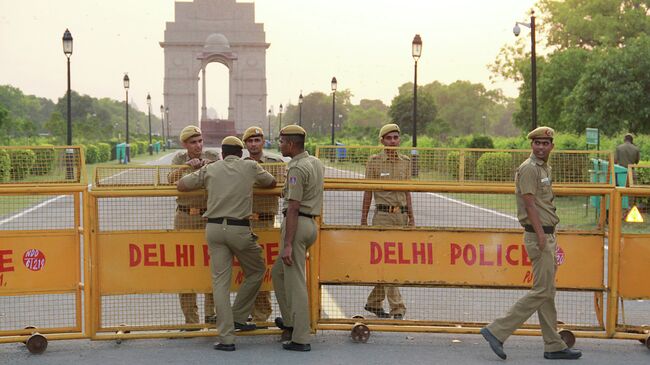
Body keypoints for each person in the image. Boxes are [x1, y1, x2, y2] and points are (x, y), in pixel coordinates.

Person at [480, 126, 582, 360]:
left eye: (545, 143)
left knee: (548, 291)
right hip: (539, 236)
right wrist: (541, 237)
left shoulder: (544, 167)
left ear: (551, 146)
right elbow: (529, 205)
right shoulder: (528, 169)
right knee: (542, 290)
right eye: (537, 143)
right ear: (531, 145)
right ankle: (497, 330)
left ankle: (553, 345)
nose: (540, 147)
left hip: (547, 233)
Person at [177, 136, 276, 351]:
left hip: (213, 229)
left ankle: (226, 338)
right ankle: (239, 315)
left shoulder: (211, 169)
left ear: (222, 153)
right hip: (239, 229)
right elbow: (271, 182)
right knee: (257, 269)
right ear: (241, 152)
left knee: (220, 283)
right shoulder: (250, 166)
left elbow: (182, 185)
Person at [272, 125, 324, 352]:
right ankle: (291, 320)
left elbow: (293, 207)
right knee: (278, 273)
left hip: (297, 224)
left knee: (296, 282)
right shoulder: (315, 163)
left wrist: (288, 244)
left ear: (291, 144)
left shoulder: (296, 170)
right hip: (310, 223)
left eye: (282, 141)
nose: (279, 145)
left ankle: (301, 337)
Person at [360, 123, 413, 320]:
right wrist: (363, 220)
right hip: (382, 216)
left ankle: (373, 303)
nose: (393, 141)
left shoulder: (406, 162)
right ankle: (398, 308)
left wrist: (411, 217)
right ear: (381, 141)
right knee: (388, 262)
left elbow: (408, 192)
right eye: (388, 138)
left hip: (401, 216)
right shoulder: (374, 162)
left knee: (394, 262)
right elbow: (368, 192)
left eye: (396, 138)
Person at [167, 125, 218, 326]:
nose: (198, 146)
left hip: (208, 215)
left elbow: (223, 176)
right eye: (193, 142)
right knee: (185, 266)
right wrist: (188, 167)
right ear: (185, 144)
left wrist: (209, 166)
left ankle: (211, 314)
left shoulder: (212, 157)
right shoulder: (179, 159)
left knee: (212, 265)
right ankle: (191, 320)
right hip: (186, 216)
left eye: (200, 141)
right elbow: (169, 181)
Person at [242, 126, 283, 324]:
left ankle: (262, 314)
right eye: (250, 141)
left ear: (263, 142)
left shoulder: (275, 163)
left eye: (257, 140)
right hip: (246, 221)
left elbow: (280, 187)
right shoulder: (241, 165)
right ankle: (251, 311)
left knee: (264, 268)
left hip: (267, 220)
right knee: (247, 269)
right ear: (245, 144)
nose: (254, 144)